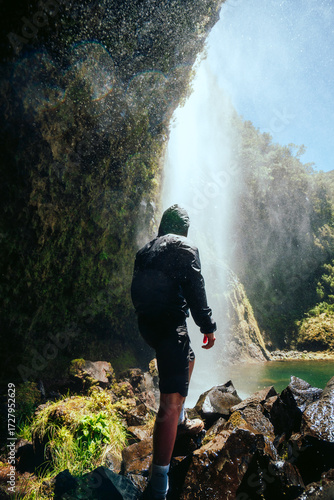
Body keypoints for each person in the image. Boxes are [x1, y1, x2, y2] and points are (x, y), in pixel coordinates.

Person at [131, 204, 217, 500]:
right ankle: (159, 483)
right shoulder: (186, 247)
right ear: (184, 228)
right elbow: (196, 289)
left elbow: (137, 289)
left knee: (188, 359)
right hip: (170, 327)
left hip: (149, 325)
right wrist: (208, 326)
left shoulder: (145, 250)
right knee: (169, 403)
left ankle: (179, 421)